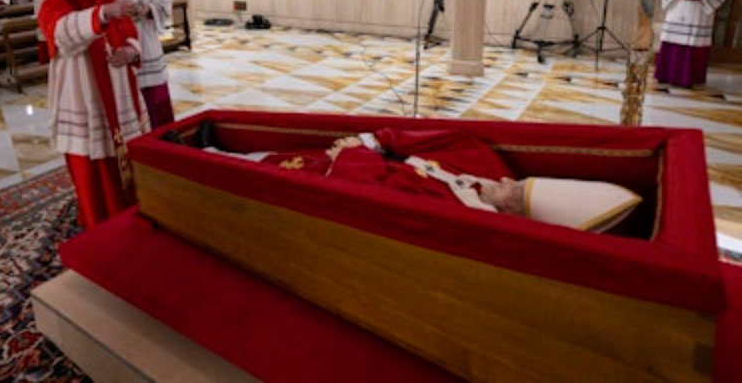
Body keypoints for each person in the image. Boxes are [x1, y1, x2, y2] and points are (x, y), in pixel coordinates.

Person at [182, 125, 641, 233]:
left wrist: (358, 154)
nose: (504, 181)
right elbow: (445, 137)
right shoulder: (488, 169)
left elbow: (370, 196)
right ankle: (211, 149)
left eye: (512, 192)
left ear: (513, 211)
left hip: (337, 176)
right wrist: (374, 137)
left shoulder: (466, 215)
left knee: (264, 167)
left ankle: (199, 158)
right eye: (517, 181)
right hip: (351, 156)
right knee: (280, 155)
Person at [39, 0, 149, 229]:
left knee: (126, 157)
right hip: (83, 95)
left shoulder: (108, 1)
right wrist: (100, 15)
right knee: (92, 162)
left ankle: (131, 210)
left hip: (119, 94)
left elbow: (131, 35)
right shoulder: (55, 3)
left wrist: (130, 51)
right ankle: (98, 220)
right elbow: (62, 34)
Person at [102, 0, 175, 128]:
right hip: (119, 41)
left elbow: (165, 4)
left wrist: (148, 9)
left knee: (155, 89)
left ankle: (164, 133)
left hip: (146, 38)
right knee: (126, 91)